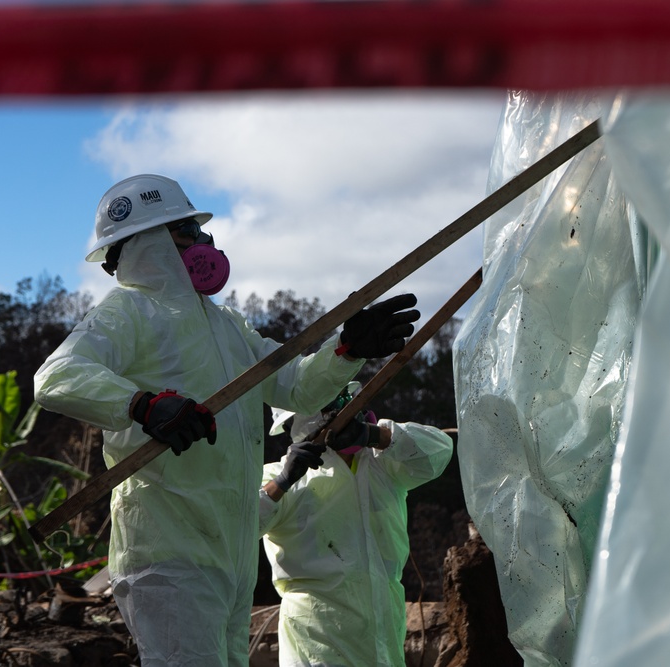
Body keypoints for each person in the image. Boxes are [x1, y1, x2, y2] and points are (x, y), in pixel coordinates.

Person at [33, 174, 420, 667]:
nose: (203, 243)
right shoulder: (128, 311)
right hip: (168, 551)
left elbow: (294, 387)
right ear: (152, 243)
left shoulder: (225, 325)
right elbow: (55, 377)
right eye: (189, 233)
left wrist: (345, 352)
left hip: (231, 555)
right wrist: (142, 405)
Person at [259, 382, 453, 666]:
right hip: (317, 640)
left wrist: (377, 435)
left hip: (382, 631)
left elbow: (439, 451)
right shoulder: (280, 477)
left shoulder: (382, 463)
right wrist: (282, 483)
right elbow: (239, 525)